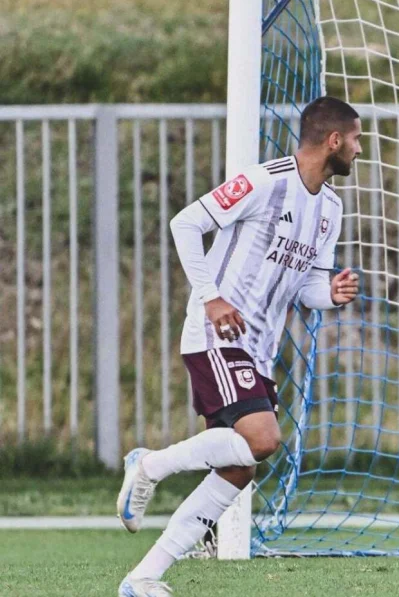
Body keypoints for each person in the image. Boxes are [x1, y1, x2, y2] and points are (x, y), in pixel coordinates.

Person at [116, 96, 364, 597]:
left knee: (239, 469)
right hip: (218, 335)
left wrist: (331, 294)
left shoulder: (331, 208)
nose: (359, 150)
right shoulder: (263, 182)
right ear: (334, 140)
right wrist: (211, 298)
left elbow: (307, 288)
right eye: (356, 140)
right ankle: (149, 465)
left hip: (259, 348)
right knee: (263, 440)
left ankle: (142, 577)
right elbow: (185, 223)